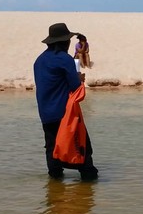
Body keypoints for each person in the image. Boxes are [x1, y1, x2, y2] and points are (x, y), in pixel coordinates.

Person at [34, 23, 98, 181]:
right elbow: (75, 87)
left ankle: (55, 187)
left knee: (52, 147)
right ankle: (88, 185)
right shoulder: (64, 59)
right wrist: (80, 79)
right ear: (64, 42)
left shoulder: (39, 60)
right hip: (65, 113)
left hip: (45, 112)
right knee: (82, 147)